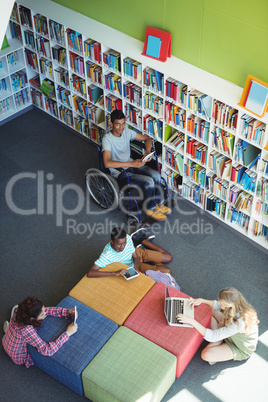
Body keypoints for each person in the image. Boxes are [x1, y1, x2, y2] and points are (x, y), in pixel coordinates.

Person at [102, 109, 171, 221]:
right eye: (118, 124)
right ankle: (151, 208)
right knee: (149, 181)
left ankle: (158, 203)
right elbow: (107, 163)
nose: (121, 127)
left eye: (123, 124)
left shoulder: (126, 132)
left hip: (132, 165)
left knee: (156, 175)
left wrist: (147, 152)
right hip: (120, 173)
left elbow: (147, 139)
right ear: (111, 124)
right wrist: (132, 163)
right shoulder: (107, 139)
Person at [177, 287, 259, 365]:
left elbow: (213, 336)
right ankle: (220, 338)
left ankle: (219, 339)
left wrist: (191, 321)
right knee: (210, 310)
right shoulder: (237, 306)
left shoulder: (239, 323)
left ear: (229, 306)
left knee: (205, 354)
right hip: (230, 330)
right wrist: (202, 300)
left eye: (221, 303)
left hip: (239, 347)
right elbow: (216, 305)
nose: (218, 303)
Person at [2, 296, 78, 368]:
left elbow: (46, 311)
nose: (45, 313)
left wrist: (67, 312)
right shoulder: (26, 331)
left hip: (5, 340)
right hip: (18, 356)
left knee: (17, 332)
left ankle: (10, 331)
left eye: (43, 309)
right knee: (33, 343)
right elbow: (47, 350)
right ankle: (12, 333)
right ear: (31, 319)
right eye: (42, 314)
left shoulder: (19, 311)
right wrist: (67, 333)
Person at [87, 227, 172, 278]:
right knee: (167, 271)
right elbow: (90, 273)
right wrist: (114, 273)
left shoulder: (127, 238)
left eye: (124, 243)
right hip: (131, 267)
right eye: (119, 244)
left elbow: (135, 257)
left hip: (137, 254)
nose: (123, 246)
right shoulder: (107, 255)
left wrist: (136, 266)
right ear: (111, 241)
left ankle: (140, 239)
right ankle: (150, 258)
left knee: (169, 257)